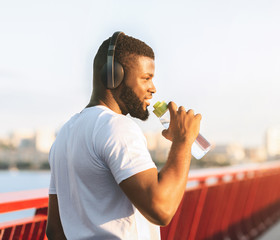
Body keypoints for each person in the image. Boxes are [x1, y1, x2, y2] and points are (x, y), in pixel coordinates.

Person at [45, 31, 201, 240]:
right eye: (146, 78)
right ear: (113, 75)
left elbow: (54, 230)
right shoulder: (116, 128)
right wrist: (183, 142)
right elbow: (161, 209)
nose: (153, 89)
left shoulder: (64, 135)